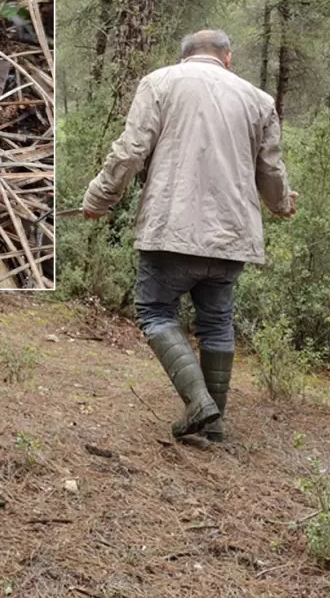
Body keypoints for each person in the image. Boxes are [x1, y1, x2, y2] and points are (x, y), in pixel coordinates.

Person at [82, 29, 296, 442]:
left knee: (155, 311)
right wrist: (282, 203)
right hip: (231, 236)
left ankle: (199, 403)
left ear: (184, 56)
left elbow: (130, 152)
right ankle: (212, 426)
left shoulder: (159, 83)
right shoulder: (259, 100)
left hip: (171, 229)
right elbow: (270, 170)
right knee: (216, 323)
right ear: (227, 57)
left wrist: (98, 199)